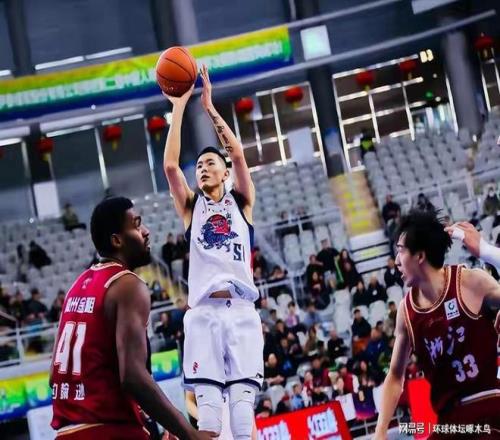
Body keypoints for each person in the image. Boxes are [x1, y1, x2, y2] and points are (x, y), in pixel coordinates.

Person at [50, 197, 207, 439]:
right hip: (107, 430)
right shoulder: (128, 285)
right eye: (136, 225)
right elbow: (133, 377)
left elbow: (54, 376)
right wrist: (190, 434)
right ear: (117, 240)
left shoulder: (76, 287)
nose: (146, 231)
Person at [163, 65, 263, 439]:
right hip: (203, 313)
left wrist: (208, 107)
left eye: (210, 163)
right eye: (200, 165)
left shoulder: (242, 201)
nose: (203, 168)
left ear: (224, 173)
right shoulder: (192, 207)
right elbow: (170, 166)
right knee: (208, 419)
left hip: (241, 311)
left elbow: (238, 154)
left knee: (242, 418)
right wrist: (178, 106)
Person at [374, 210, 500, 439]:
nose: (397, 261)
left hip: (490, 406)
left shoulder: (470, 282)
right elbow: (395, 376)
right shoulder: (407, 311)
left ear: (420, 256)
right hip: (450, 422)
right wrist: (380, 431)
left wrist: (486, 252)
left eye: (400, 251)